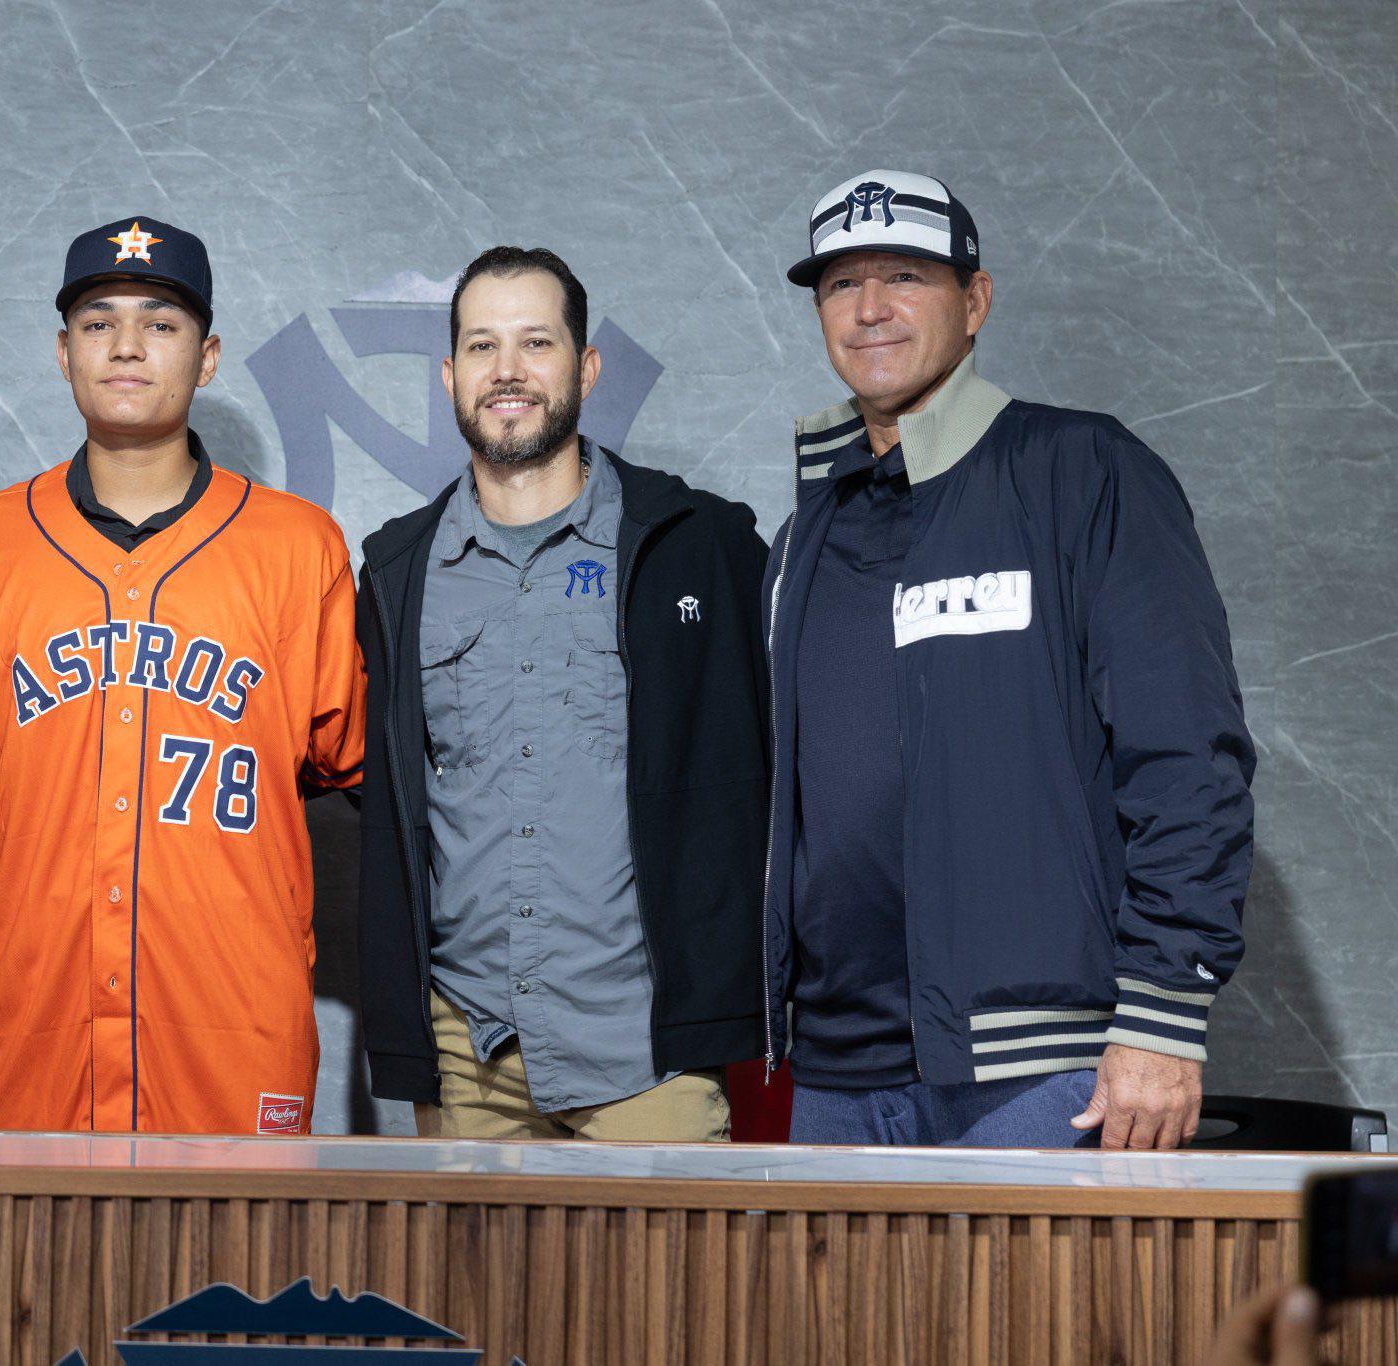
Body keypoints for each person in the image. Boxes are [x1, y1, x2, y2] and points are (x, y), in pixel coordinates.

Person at [763, 170, 1257, 1148]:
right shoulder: (798, 540)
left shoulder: (1082, 472)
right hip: (831, 1075)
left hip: (1040, 1070)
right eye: (838, 284)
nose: (868, 309)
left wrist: (1161, 1017)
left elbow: (1187, 757)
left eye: (903, 275)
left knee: (1036, 1314)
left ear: (974, 299)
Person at [0, 215, 364, 1134]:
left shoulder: (300, 548)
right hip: (31, 1031)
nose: (127, 345)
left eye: (161, 323)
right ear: (62, 352)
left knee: (243, 1279)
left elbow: (364, 777)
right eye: (98, 321)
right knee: (16, 1278)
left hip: (230, 1036)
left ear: (207, 359)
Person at [356, 246, 771, 1140]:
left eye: (536, 343)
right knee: (452, 1290)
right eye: (481, 347)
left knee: (668, 1288)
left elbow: (776, 769)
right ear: (449, 374)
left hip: (646, 1053)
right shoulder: (397, 573)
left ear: (585, 368)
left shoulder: (696, 547)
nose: (507, 372)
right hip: (469, 1058)